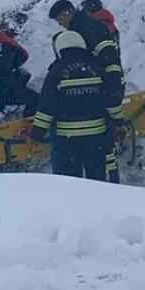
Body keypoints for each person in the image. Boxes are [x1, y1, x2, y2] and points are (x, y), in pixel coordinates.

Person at [49, 0, 125, 182]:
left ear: (67, 12)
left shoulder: (88, 28)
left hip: (103, 88)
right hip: (101, 87)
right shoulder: (85, 27)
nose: (60, 24)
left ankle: (112, 184)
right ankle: (109, 182)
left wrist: (110, 90)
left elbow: (108, 59)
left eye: (59, 19)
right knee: (103, 142)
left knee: (105, 142)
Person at [30, 30, 118, 181]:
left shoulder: (56, 71)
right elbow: (110, 98)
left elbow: (46, 106)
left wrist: (37, 132)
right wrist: (118, 119)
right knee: (97, 181)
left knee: (68, 184)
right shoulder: (97, 68)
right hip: (96, 137)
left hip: (67, 140)